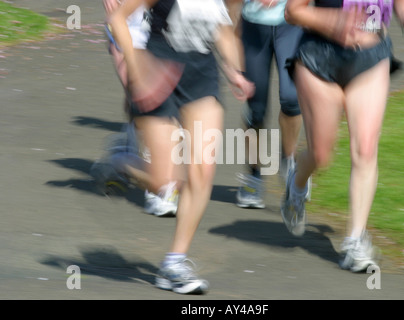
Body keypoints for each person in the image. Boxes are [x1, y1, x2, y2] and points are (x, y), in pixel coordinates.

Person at [94, 0, 254, 294]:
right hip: (157, 69)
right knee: (166, 183)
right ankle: (119, 163)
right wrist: (137, 68)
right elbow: (117, 19)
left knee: (202, 171)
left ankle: (174, 263)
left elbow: (221, 30)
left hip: (201, 74)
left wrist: (235, 71)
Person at [282, 0, 404, 272]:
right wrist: (334, 20)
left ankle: (355, 241)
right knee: (321, 154)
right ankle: (297, 182)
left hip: (371, 56)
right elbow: (293, 11)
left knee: (366, 148)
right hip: (319, 57)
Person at [98, 0, 178, 217]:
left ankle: (128, 152)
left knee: (159, 106)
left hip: (166, 25)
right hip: (129, 25)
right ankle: (158, 188)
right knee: (143, 99)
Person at [233, 0, 307, 209]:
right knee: (256, 110)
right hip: (253, 26)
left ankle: (289, 160)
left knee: (292, 99)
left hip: (290, 23)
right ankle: (254, 176)